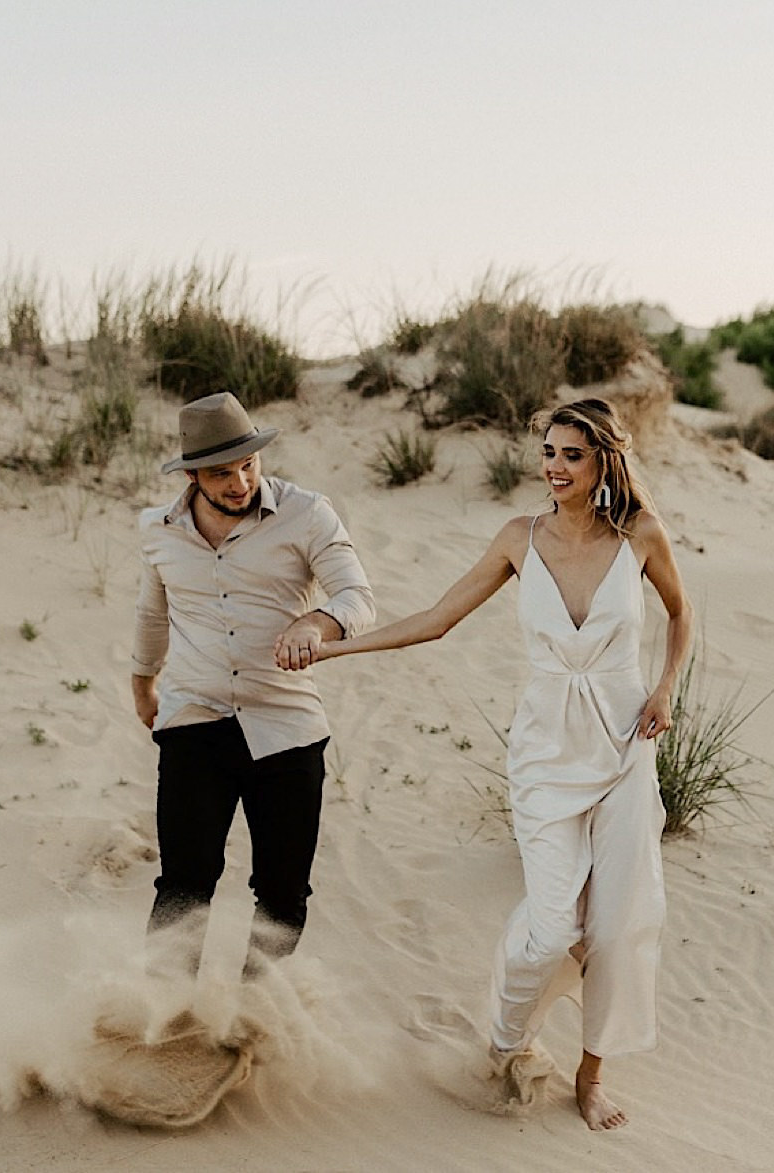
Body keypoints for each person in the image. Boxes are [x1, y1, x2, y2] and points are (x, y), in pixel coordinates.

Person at [286, 396, 690, 1132]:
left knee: (617, 922)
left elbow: (682, 613)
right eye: (548, 452)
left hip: (626, 743)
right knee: (548, 922)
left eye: (572, 454)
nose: (554, 467)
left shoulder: (640, 534)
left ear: (604, 460)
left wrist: (664, 688)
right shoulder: (517, 538)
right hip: (545, 752)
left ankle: (590, 1074)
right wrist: (331, 648)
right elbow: (436, 620)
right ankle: (507, 1042)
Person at [129, 391, 376, 979]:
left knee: (283, 897)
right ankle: (167, 1020)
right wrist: (143, 686)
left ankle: (249, 1016)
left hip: (287, 727)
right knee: (184, 888)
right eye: (222, 473)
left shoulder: (308, 512)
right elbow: (152, 614)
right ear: (192, 475)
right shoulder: (157, 529)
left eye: (249, 465)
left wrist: (317, 621)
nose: (241, 482)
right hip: (195, 721)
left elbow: (357, 597)